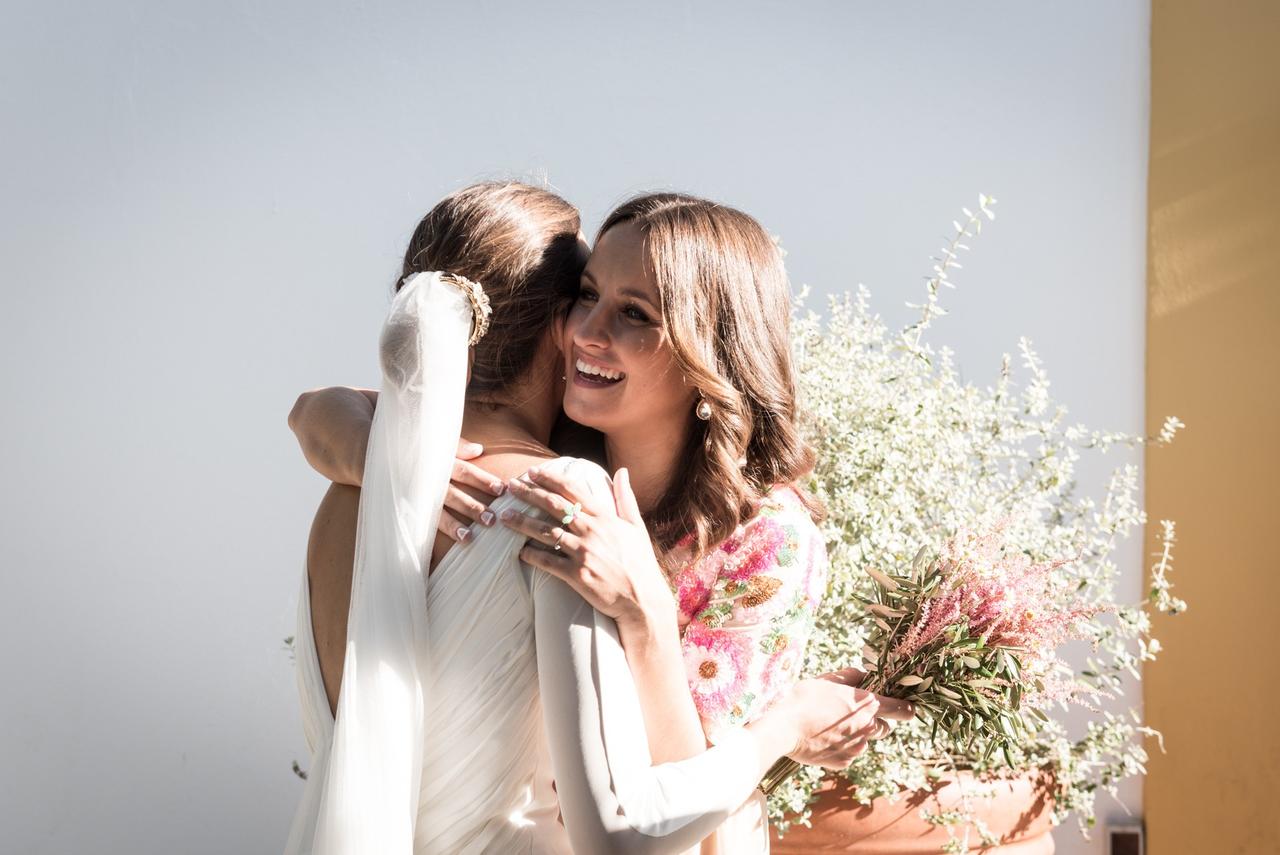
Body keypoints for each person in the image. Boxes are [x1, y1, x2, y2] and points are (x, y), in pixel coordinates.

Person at [287, 184, 911, 855]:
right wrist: (391, 461)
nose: (587, 333)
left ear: (713, 351)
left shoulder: (764, 540)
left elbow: (695, 818)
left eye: (634, 313)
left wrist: (646, 621)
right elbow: (318, 408)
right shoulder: (550, 471)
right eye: (584, 297)